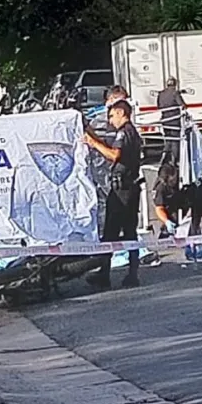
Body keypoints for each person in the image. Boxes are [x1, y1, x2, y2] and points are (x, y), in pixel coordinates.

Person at [84, 100, 142, 288]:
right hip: (130, 187)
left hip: (122, 190)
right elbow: (110, 149)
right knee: (130, 232)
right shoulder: (133, 132)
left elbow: (114, 155)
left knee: (111, 232)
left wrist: (94, 144)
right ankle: (131, 274)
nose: (110, 120)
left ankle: (105, 275)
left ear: (120, 113)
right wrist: (92, 136)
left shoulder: (123, 132)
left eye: (111, 116)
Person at [86, 86, 130, 237]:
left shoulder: (123, 121)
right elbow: (99, 145)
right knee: (105, 203)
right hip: (103, 168)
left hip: (117, 171)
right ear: (110, 100)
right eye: (121, 101)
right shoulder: (101, 120)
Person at [151, 162, 188, 237]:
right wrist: (166, 221)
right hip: (170, 208)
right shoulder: (160, 188)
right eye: (171, 181)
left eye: (174, 179)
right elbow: (159, 208)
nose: (174, 182)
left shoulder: (182, 175)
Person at [157, 77, 182, 164]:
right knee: (175, 140)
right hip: (174, 119)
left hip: (165, 119)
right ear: (175, 84)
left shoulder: (161, 94)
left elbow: (159, 106)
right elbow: (181, 104)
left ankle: (163, 157)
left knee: (168, 140)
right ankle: (174, 161)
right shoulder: (175, 93)